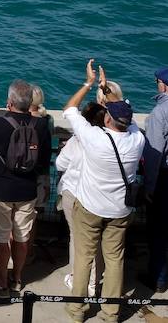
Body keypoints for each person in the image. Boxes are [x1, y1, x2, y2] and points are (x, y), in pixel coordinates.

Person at [62, 60, 145, 323]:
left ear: (107, 117)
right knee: (115, 260)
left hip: (89, 208)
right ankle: (111, 312)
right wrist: (108, 89)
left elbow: (70, 109)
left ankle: (77, 310)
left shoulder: (94, 137)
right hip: (120, 210)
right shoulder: (137, 139)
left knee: (84, 258)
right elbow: (122, 113)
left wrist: (90, 84)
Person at [0, 79, 52, 296]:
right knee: (22, 238)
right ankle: (17, 278)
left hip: (1, 190)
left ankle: (2, 281)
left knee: (1, 239)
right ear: (30, 103)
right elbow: (44, 159)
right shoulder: (41, 126)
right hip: (27, 190)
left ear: (9, 102)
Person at [57, 102, 105, 293]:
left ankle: (80, 280)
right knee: (98, 239)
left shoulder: (77, 140)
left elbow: (60, 164)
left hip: (75, 194)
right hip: (99, 196)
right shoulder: (110, 140)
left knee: (77, 239)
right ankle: (94, 279)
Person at [143, 66, 168, 293]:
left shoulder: (160, 113)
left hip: (165, 179)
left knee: (160, 229)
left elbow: (154, 154)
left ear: (163, 85)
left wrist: (149, 186)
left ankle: (159, 279)